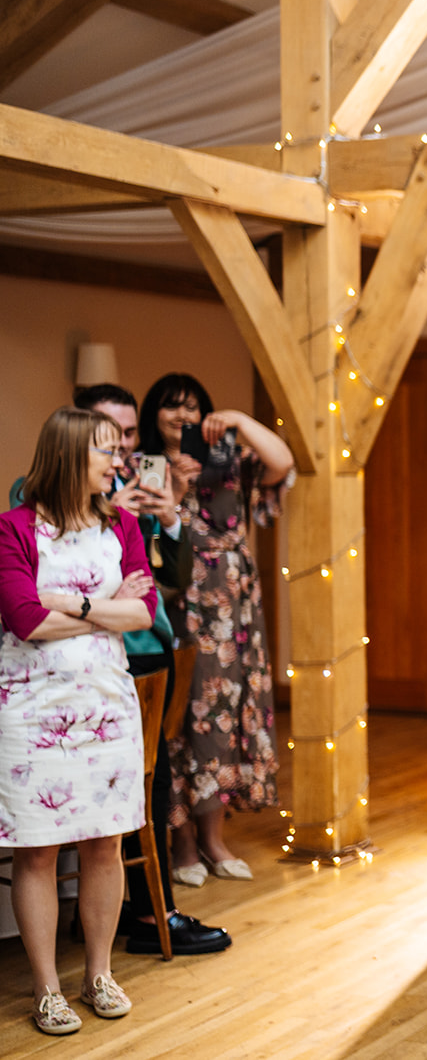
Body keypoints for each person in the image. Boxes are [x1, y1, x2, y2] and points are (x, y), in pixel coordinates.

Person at [39, 386, 229, 954]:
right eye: (110, 435)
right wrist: (114, 518)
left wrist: (168, 518)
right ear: (77, 433)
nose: (123, 448)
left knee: (151, 780)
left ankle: (149, 911)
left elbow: (165, 582)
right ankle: (142, 914)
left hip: (145, 649)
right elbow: (42, 596)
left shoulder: (142, 489)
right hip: (71, 664)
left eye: (127, 435)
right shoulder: (41, 498)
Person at [0, 407, 157, 1034]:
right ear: (69, 454)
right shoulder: (12, 529)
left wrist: (76, 603)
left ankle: (98, 974)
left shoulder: (122, 525)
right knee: (36, 853)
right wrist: (106, 609)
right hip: (32, 711)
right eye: (106, 450)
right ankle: (46, 989)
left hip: (108, 705)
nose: (117, 461)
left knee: (105, 844)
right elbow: (25, 621)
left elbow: (143, 614)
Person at [139, 373, 294, 887]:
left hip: (236, 608)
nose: (181, 416)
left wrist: (241, 420)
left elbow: (283, 463)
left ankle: (213, 838)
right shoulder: (143, 467)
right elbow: (146, 544)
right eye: (170, 407)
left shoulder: (228, 459)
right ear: (153, 414)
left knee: (227, 716)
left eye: (191, 407)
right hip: (180, 603)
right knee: (186, 719)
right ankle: (182, 842)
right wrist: (176, 488)